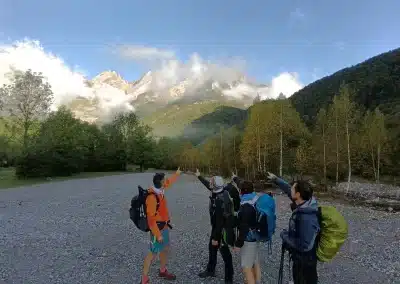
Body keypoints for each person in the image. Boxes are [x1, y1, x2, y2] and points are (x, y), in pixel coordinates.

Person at [267, 172, 320, 284]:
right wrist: (276, 179)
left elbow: (305, 245)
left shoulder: (306, 217)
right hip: (303, 259)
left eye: (293, 188)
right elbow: (287, 188)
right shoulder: (306, 203)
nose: (290, 189)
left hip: (304, 262)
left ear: (298, 194)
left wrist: (285, 236)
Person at [141, 168, 181, 284]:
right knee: (152, 253)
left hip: (164, 226)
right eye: (165, 180)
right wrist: (158, 235)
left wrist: (177, 174)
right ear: (161, 182)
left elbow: (169, 182)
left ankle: (163, 270)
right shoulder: (152, 198)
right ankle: (144, 279)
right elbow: (151, 220)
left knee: (165, 248)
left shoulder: (160, 189)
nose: (166, 181)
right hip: (157, 230)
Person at [195, 169, 234, 284]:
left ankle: (229, 279)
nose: (210, 183)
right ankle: (211, 270)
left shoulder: (218, 202)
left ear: (215, 186)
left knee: (225, 254)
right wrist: (199, 176)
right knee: (212, 248)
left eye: (212, 182)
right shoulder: (223, 191)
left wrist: (216, 238)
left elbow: (219, 222)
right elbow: (209, 185)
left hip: (221, 230)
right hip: (218, 227)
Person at [234, 181, 262, 284]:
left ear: (242, 192)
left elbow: (244, 227)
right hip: (256, 235)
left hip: (249, 238)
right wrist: (235, 178)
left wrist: (238, 243)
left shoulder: (246, 206)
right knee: (255, 261)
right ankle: (257, 281)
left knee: (246, 267)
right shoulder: (255, 199)